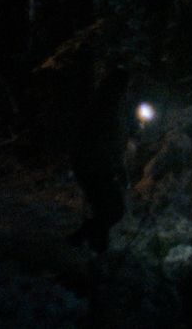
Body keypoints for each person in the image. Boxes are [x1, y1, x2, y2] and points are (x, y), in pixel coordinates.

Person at [69, 62, 130, 253]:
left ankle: (98, 251)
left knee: (107, 210)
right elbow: (103, 142)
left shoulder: (110, 105)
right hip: (93, 166)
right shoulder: (104, 106)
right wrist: (115, 167)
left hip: (94, 165)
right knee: (113, 210)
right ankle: (79, 239)